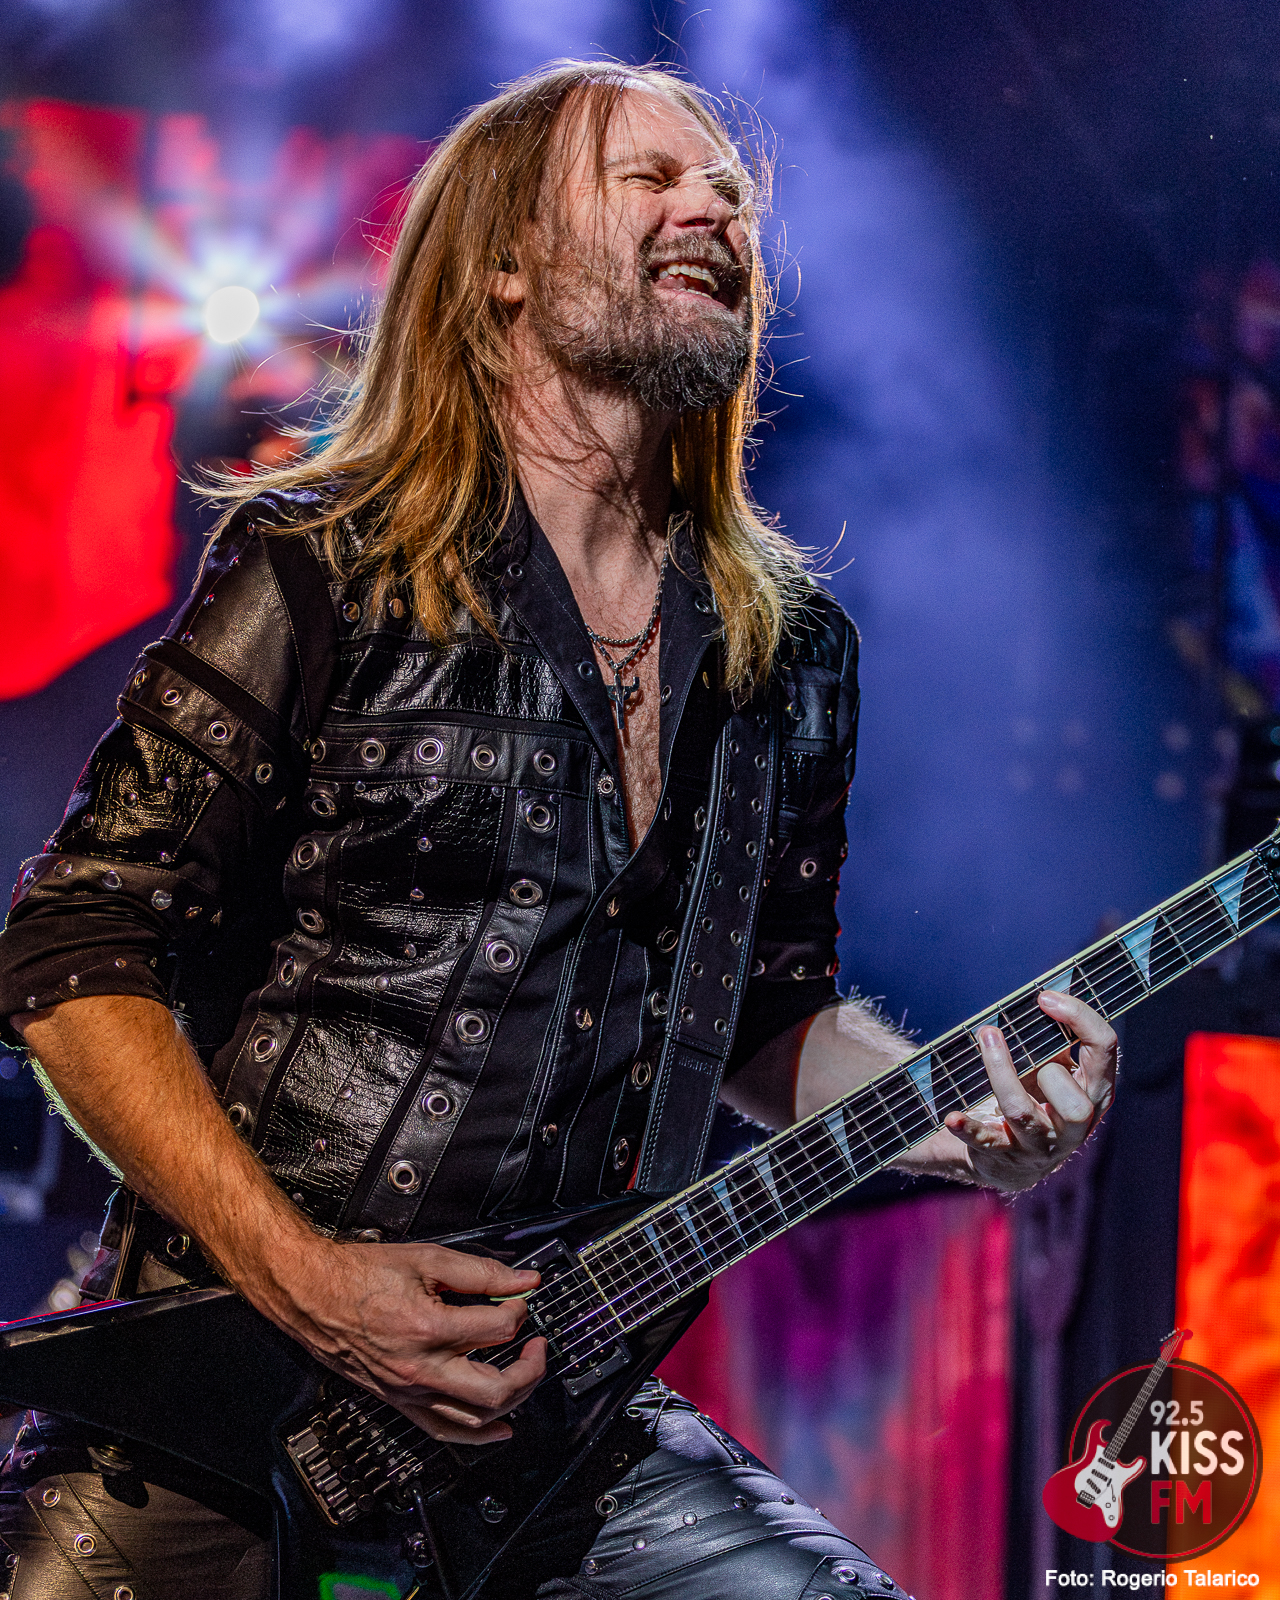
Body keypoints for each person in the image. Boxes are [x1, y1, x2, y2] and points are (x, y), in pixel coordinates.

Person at [0, 61, 1116, 1600]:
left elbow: (764, 1013)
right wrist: (311, 1282)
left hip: (558, 1418)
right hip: (226, 1405)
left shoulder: (788, 651)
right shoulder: (324, 564)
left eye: (729, 188)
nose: (714, 204)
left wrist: (950, 1117)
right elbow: (74, 950)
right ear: (504, 265)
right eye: (649, 177)